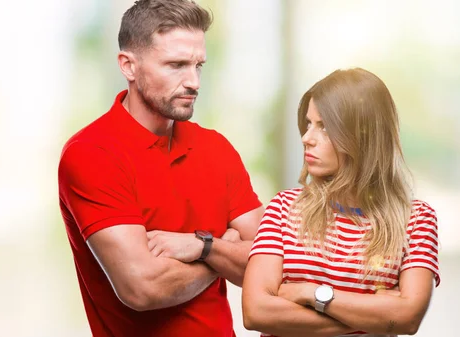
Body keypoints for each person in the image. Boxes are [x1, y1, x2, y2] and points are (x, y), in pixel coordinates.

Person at [57, 1, 264, 336]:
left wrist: (201, 246)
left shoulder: (216, 148)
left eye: (198, 65)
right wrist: (222, 251)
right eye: (177, 65)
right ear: (128, 66)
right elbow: (143, 288)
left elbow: (271, 261)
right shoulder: (92, 154)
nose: (193, 81)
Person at [242, 68, 440, 337]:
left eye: (323, 126)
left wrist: (311, 294)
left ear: (361, 136)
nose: (306, 138)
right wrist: (377, 316)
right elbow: (256, 312)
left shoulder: (416, 220)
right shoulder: (284, 208)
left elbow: (407, 320)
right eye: (309, 124)